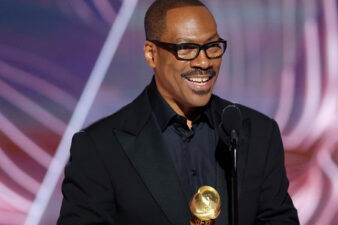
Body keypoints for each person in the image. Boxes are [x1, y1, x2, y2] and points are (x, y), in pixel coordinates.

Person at [57, 0, 299, 224]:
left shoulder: (257, 132)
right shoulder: (99, 147)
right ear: (151, 54)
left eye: (212, 47)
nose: (204, 62)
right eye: (187, 48)